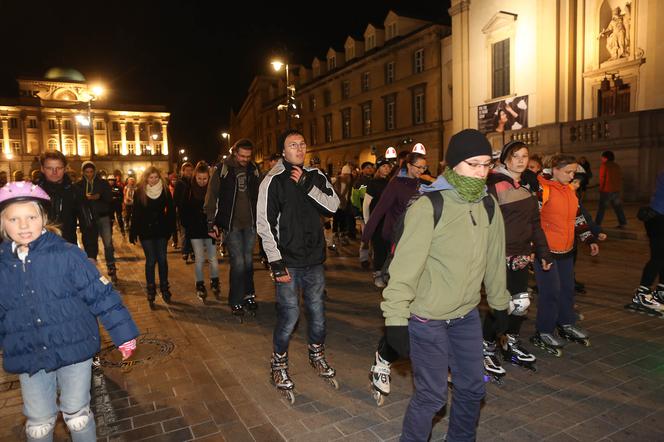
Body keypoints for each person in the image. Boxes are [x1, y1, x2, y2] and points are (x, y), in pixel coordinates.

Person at [381, 129, 510, 441]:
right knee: (432, 397)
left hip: (465, 316)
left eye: (486, 165)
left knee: (472, 388)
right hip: (427, 318)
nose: (482, 172)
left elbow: (494, 260)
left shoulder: (488, 205)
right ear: (453, 165)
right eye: (473, 164)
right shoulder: (429, 207)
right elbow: (403, 271)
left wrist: (499, 303)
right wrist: (396, 321)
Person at [0, 181, 138, 442]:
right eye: (14, 219)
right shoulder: (2, 266)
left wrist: (123, 333)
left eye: (31, 216)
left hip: (74, 347)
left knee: (78, 415)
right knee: (38, 423)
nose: (24, 225)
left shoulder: (68, 255)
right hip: (31, 354)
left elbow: (101, 293)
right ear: (3, 224)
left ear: (43, 218)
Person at [257, 129, 340, 403]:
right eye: (293, 145)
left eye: (302, 144)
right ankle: (278, 365)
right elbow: (264, 224)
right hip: (288, 263)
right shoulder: (273, 181)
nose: (299, 148)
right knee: (290, 317)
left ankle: (317, 355)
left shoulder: (315, 176)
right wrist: (276, 262)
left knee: (318, 315)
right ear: (283, 151)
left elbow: (333, 206)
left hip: (314, 260)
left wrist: (307, 185)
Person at [481, 141, 552, 380]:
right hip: (499, 256)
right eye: (516, 156)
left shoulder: (528, 185)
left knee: (520, 304)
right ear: (505, 160)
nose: (521, 160)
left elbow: (535, 224)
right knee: (501, 304)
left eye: (525, 156)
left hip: (522, 254)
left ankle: (509, 340)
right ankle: (485, 346)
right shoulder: (493, 185)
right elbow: (485, 223)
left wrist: (543, 252)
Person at [531, 154, 599, 356]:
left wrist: (589, 239)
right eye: (568, 172)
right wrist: (535, 249)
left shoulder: (569, 191)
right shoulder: (543, 190)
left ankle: (566, 323)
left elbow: (577, 217)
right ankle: (543, 331)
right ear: (555, 169)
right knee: (550, 292)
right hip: (547, 252)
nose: (572, 176)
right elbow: (533, 220)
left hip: (566, 251)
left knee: (567, 289)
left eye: (573, 172)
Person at [205, 138, 261, 318]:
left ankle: (249, 295)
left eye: (248, 156)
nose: (245, 159)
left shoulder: (253, 169)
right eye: (242, 156)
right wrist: (210, 221)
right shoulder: (223, 169)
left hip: (250, 223)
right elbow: (211, 195)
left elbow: (261, 194)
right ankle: (236, 300)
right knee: (238, 263)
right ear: (235, 152)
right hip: (232, 224)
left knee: (249, 261)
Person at [362, 152, 427, 288]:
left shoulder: (422, 184)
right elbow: (380, 209)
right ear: (409, 165)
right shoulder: (395, 184)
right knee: (399, 274)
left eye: (424, 168)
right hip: (397, 234)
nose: (421, 170)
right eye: (418, 167)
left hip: (415, 235)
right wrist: (367, 234)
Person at [129, 167, 176, 308]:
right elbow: (135, 213)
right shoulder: (140, 192)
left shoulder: (165, 190)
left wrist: (171, 229)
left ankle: (164, 287)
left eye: (156, 177)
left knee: (162, 259)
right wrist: (133, 231)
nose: (154, 180)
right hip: (146, 230)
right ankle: (151, 289)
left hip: (161, 230)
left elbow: (171, 211)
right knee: (151, 260)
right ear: (146, 178)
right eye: (151, 177)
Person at [182, 162, 220, 302]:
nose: (202, 181)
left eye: (205, 179)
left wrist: (217, 225)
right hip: (195, 228)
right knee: (199, 258)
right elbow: (183, 209)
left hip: (209, 228)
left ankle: (215, 281)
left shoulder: (213, 189)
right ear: (195, 177)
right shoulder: (189, 190)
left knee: (212, 258)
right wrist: (186, 225)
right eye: (199, 178)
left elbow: (217, 208)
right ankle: (200, 285)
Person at [76, 161, 117, 282]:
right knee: (90, 243)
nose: (89, 174)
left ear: (94, 171)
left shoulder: (102, 183)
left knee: (108, 242)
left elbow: (109, 198)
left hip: (102, 216)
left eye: (91, 171)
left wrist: (98, 196)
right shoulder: (79, 185)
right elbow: (77, 202)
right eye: (86, 172)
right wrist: (85, 198)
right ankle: (92, 267)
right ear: (83, 172)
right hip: (88, 219)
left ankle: (111, 265)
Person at [631, 171, 664, 312]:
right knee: (658, 257)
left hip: (657, 217)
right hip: (659, 219)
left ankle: (661, 291)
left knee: (662, 257)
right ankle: (642, 293)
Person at [34, 150, 81, 245]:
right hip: (38, 247)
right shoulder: (33, 192)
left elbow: (87, 224)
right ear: (42, 169)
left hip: (67, 246)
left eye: (58, 168)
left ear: (65, 169)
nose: (54, 172)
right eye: (49, 168)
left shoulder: (75, 191)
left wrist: (91, 253)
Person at [362, 156, 394, 283]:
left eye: (388, 166)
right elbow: (366, 204)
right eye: (383, 166)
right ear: (378, 168)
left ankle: (385, 272)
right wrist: (368, 222)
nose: (386, 169)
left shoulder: (391, 183)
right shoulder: (372, 183)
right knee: (379, 248)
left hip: (389, 221)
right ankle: (377, 274)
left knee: (388, 248)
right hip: (377, 221)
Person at [596, 150, 627, 228]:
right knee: (618, 207)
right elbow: (620, 178)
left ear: (605, 158)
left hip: (606, 190)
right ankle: (622, 222)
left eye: (602, 157)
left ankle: (597, 223)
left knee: (601, 208)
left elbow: (602, 178)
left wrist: (601, 189)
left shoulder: (604, 165)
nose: (601, 159)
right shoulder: (616, 166)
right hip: (615, 190)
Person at [174, 163, 194, 260]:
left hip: (193, 211)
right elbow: (176, 198)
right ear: (183, 171)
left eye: (190, 170)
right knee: (184, 232)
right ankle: (185, 251)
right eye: (187, 170)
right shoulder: (179, 183)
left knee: (193, 232)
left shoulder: (194, 182)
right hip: (183, 211)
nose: (189, 172)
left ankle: (192, 251)